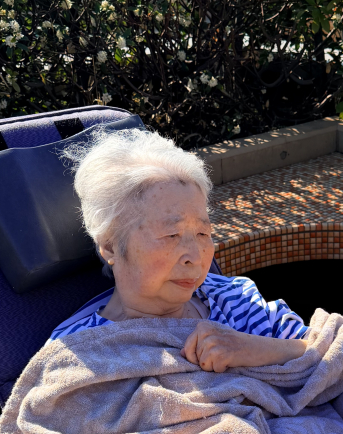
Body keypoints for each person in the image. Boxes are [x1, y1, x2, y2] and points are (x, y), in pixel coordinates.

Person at [51, 125, 308, 373]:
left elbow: (327, 351)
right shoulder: (77, 352)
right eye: (171, 235)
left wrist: (257, 349)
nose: (196, 258)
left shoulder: (236, 298)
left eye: (203, 234)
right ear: (110, 246)